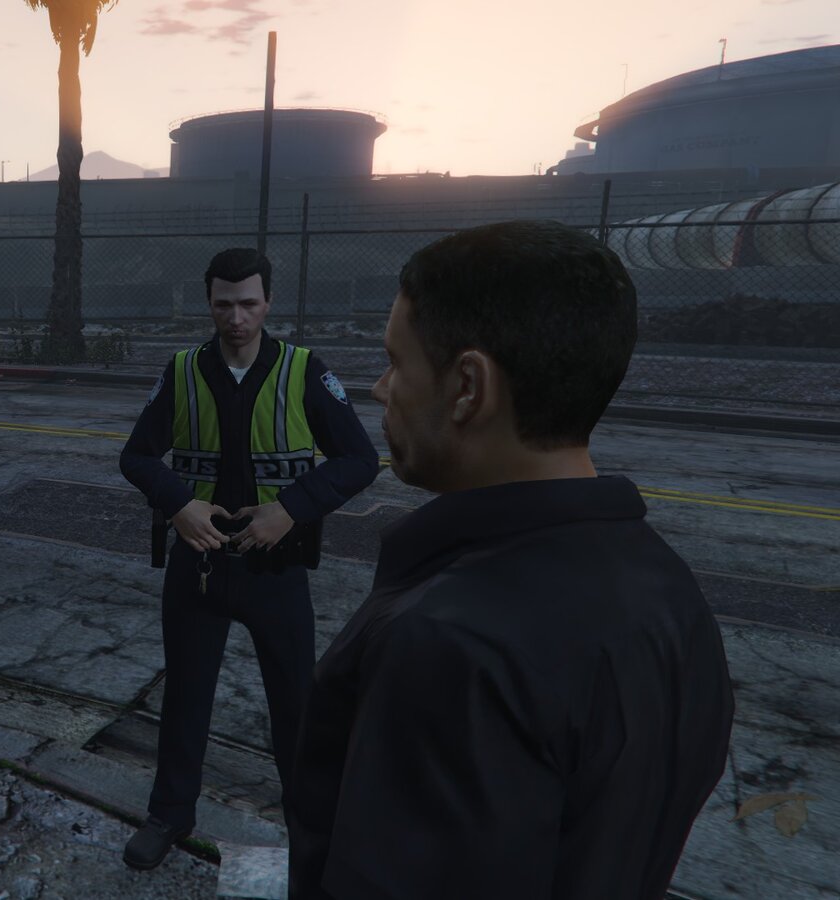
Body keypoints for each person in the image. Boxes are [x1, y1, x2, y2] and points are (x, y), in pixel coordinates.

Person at [287, 221, 735, 899]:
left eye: (397, 362)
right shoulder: (673, 594)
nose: (381, 388)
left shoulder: (450, 645)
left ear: (467, 387)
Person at [119, 247, 380, 870]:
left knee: (296, 706)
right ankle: (170, 814)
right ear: (208, 303)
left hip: (277, 569)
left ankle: (311, 826)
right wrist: (180, 505)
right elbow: (137, 455)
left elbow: (360, 460)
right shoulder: (183, 370)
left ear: (268, 302)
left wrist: (290, 508)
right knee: (186, 698)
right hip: (199, 567)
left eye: (248, 304)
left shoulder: (305, 371)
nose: (236, 318)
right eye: (224, 305)